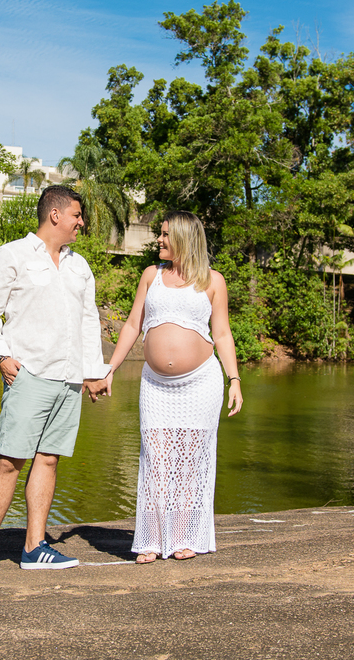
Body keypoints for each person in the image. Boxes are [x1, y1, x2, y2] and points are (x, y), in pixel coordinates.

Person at [0, 185, 112, 578]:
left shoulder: (79, 265)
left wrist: (93, 372)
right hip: (30, 375)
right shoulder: (12, 254)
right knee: (10, 461)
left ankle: (34, 547)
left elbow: (87, 321)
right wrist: (0, 354)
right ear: (56, 215)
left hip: (68, 380)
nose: (82, 222)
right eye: (78, 215)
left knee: (48, 459)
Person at [104, 211, 243, 563]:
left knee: (189, 461)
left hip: (201, 384)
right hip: (155, 385)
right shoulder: (152, 275)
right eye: (160, 234)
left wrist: (235, 380)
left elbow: (223, 334)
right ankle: (151, 538)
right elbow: (134, 324)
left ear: (184, 237)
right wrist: (110, 369)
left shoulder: (213, 281)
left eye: (165, 235)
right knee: (156, 457)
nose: (160, 240)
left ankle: (182, 537)